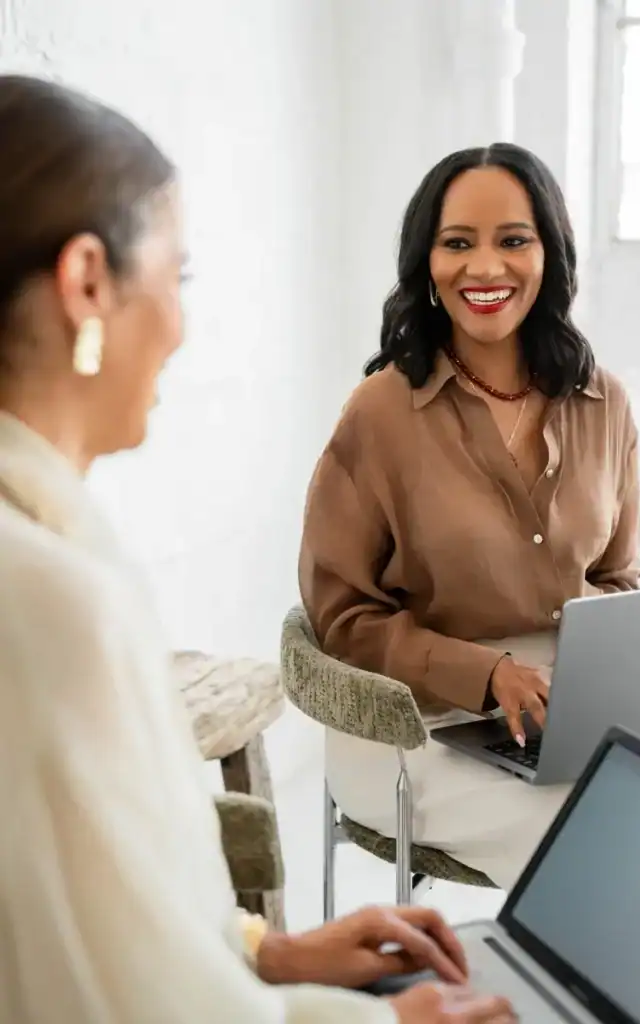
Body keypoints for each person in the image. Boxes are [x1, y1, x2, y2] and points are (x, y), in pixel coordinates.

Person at [0, 76, 516, 1024]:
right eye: (177, 278)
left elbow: (71, 898)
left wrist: (263, 950)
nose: (182, 327)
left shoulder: (48, 545)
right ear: (85, 283)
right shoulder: (44, 598)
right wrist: (386, 1023)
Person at [299, 143, 640, 890]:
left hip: (561, 714)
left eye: (512, 241)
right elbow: (341, 616)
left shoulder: (605, 403)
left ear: (548, 254)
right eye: (457, 243)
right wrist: (486, 675)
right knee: (599, 839)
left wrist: (586, 680)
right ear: (426, 262)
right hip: (411, 727)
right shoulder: (379, 413)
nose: (485, 269)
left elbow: (617, 577)